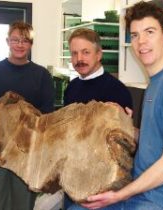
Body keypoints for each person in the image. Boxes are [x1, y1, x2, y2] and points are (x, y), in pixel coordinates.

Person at [68, 2, 163, 210]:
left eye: (149, 32)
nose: (141, 41)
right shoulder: (156, 83)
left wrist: (120, 195)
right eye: (134, 35)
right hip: (141, 193)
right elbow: (155, 139)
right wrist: (122, 126)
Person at [0, 21, 54, 210]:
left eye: (25, 40)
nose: (20, 44)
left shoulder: (42, 75)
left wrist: (36, 145)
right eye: (15, 40)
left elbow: (46, 113)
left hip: (28, 147)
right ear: (7, 41)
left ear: (31, 44)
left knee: (23, 199)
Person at [63, 28, 133, 209]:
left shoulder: (117, 90)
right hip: (72, 176)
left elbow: (124, 147)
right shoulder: (71, 87)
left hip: (102, 188)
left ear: (99, 54)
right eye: (75, 53)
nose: (79, 59)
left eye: (86, 52)